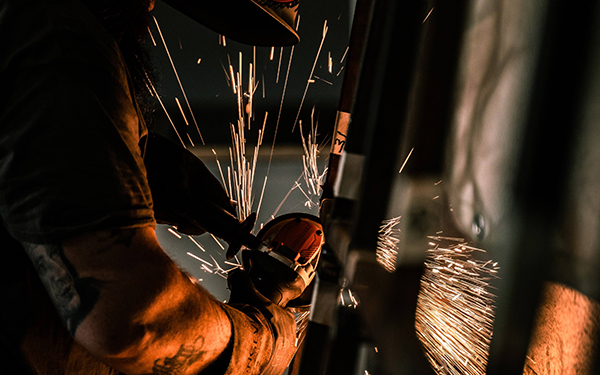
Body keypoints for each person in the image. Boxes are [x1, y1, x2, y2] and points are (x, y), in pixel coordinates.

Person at [0, 0, 304, 374]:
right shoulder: (59, 39)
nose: (149, 4)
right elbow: (131, 323)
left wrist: (135, 160)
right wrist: (258, 343)